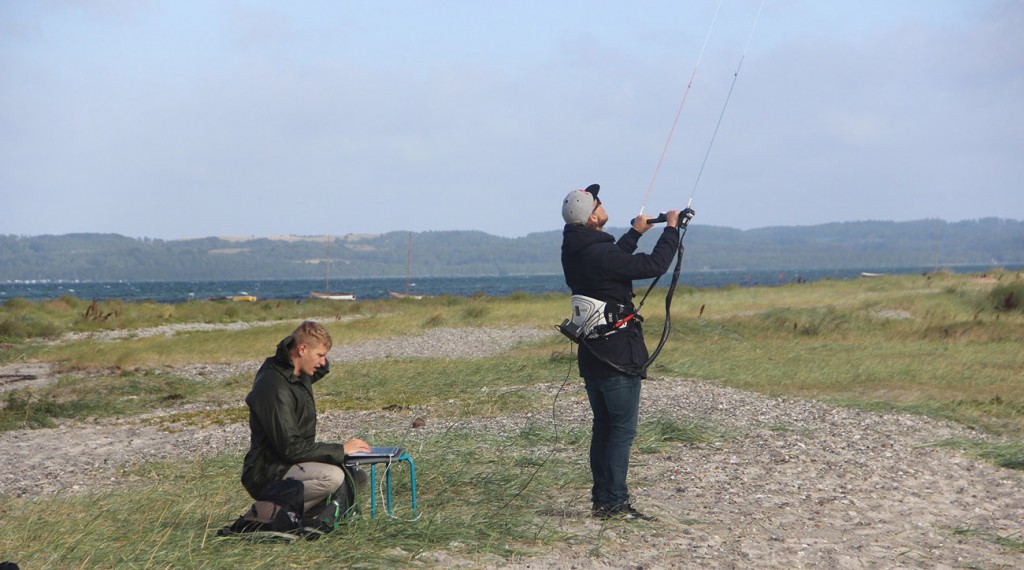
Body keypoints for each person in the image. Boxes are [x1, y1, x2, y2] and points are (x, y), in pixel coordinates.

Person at [560, 183, 687, 521]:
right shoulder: (598, 252)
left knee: (604, 427)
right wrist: (671, 229)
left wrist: (634, 233)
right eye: (597, 203)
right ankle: (615, 503)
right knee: (620, 431)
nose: (602, 205)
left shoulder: (577, 248)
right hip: (617, 355)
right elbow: (651, 266)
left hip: (594, 355)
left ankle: (603, 501)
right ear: (591, 217)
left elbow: (613, 263)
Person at [223, 321, 370, 536]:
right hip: (267, 471)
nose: (323, 362)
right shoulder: (274, 387)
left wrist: (316, 352)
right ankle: (265, 516)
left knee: (356, 477)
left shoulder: (294, 372)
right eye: (320, 355)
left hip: (288, 463)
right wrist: (340, 450)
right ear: (301, 350)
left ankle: (310, 522)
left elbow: (315, 369)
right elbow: (291, 448)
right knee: (333, 477)